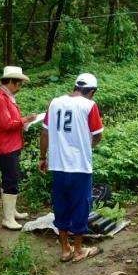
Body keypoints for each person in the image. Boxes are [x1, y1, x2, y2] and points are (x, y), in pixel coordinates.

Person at [39, 73, 104, 262]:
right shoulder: (89, 105)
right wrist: (87, 145)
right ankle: (78, 250)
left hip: (58, 166)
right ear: (91, 91)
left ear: (76, 87)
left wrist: (43, 157)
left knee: (61, 205)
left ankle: (65, 249)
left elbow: (44, 133)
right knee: (80, 206)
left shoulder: (55, 103)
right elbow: (98, 135)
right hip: (80, 167)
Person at [0, 66, 38, 229]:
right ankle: (8, 218)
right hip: (5, 146)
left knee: (12, 177)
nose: (20, 87)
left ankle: (11, 211)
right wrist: (25, 120)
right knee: (10, 179)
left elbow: (12, 121)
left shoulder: (7, 97)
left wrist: (24, 121)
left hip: (12, 143)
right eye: (19, 83)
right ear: (11, 81)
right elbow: (6, 124)